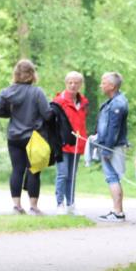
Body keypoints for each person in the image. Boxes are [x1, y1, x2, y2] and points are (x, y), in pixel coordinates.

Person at [0, 59, 53, 215]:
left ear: (16, 74)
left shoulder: (7, 92)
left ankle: (16, 206)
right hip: (33, 137)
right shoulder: (37, 92)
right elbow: (47, 114)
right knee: (33, 170)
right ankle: (33, 207)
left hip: (14, 136)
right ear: (32, 74)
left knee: (17, 170)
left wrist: (9, 114)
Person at [51, 71, 89, 214]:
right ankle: (59, 204)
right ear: (66, 83)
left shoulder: (83, 102)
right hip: (62, 144)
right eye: (70, 82)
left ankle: (71, 205)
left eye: (76, 83)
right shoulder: (58, 101)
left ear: (80, 84)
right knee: (63, 174)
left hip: (77, 144)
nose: (73, 85)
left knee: (72, 175)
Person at [94, 71, 129, 222]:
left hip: (112, 147)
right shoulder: (114, 101)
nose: (101, 85)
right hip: (110, 145)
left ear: (112, 86)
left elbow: (114, 128)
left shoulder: (117, 104)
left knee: (112, 177)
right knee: (113, 177)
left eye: (104, 83)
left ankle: (117, 212)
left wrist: (107, 149)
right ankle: (117, 211)